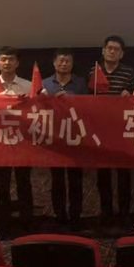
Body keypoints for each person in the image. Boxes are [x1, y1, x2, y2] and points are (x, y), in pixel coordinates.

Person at [88, 35, 134, 227]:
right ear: (103, 50)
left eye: (116, 49)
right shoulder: (94, 70)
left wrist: (128, 94)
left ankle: (124, 213)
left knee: (124, 174)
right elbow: (86, 98)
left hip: (121, 129)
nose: (112, 51)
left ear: (121, 53)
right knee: (103, 175)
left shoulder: (128, 72)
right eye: (109, 48)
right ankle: (106, 212)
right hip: (100, 130)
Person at [42, 48, 88, 230]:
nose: (64, 64)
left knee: (76, 180)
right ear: (54, 63)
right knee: (57, 180)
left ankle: (76, 216)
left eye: (67, 61)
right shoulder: (45, 83)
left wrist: (71, 99)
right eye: (60, 61)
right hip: (54, 137)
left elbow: (89, 106)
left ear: (72, 64)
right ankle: (59, 215)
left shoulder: (81, 83)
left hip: (75, 136)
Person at [0, 46, 34, 230]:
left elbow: (37, 110)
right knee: (1, 183)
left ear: (17, 63)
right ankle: (3, 222)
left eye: (11, 59)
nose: (7, 62)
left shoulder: (28, 85)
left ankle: (27, 220)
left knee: (24, 181)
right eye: (3, 59)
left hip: (22, 141)